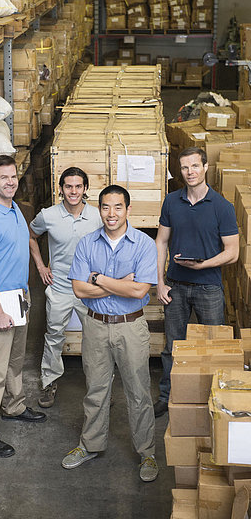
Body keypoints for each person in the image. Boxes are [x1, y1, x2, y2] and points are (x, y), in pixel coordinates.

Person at [61, 185, 159, 483]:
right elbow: (79, 289)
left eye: (118, 207)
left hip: (131, 326)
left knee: (139, 391)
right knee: (96, 389)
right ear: (99, 209)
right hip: (96, 325)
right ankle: (90, 445)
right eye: (105, 207)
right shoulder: (87, 243)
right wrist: (119, 282)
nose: (111, 214)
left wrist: (100, 279)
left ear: (128, 209)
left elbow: (140, 289)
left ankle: (147, 452)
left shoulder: (143, 244)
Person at [153, 147, 239, 418]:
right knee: (172, 347)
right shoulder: (171, 201)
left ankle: (213, 398)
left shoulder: (222, 207)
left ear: (205, 168)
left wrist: (203, 264)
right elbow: (161, 241)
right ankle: (167, 397)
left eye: (194, 166)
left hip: (208, 288)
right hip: (175, 285)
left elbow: (233, 252)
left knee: (213, 345)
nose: (189, 172)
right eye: (184, 168)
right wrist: (159, 282)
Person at [0, 155, 46, 458]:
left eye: (13, 176)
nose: (11, 182)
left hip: (19, 298)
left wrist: (34, 274)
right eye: (4, 177)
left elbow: (26, 243)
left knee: (15, 361)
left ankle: (13, 407)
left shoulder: (15, 208)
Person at [29, 167, 102, 407]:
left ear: (85, 189)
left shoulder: (97, 216)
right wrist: (41, 266)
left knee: (97, 338)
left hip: (89, 291)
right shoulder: (48, 215)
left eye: (78, 186)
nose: (73, 191)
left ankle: (101, 385)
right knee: (53, 336)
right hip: (59, 287)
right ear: (61, 189)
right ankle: (49, 381)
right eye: (68, 186)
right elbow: (31, 235)